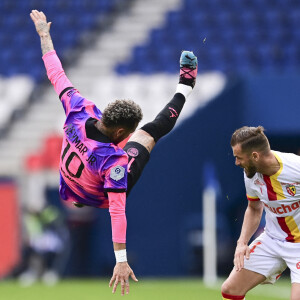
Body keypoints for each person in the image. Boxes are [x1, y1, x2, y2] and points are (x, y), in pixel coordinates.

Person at [30, 10, 198, 295]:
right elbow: (117, 211)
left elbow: (55, 72)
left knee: (103, 156)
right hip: (96, 193)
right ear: (121, 134)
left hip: (68, 187)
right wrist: (121, 260)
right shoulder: (115, 162)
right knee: (151, 132)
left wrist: (45, 36)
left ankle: (81, 194)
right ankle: (186, 86)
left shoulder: (78, 107)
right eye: (128, 133)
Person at [221, 126, 300, 300]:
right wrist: (242, 243)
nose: (236, 162)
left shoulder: (296, 168)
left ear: (255, 156)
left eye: (238, 157)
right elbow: (254, 208)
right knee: (230, 289)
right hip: (272, 240)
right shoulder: (250, 174)